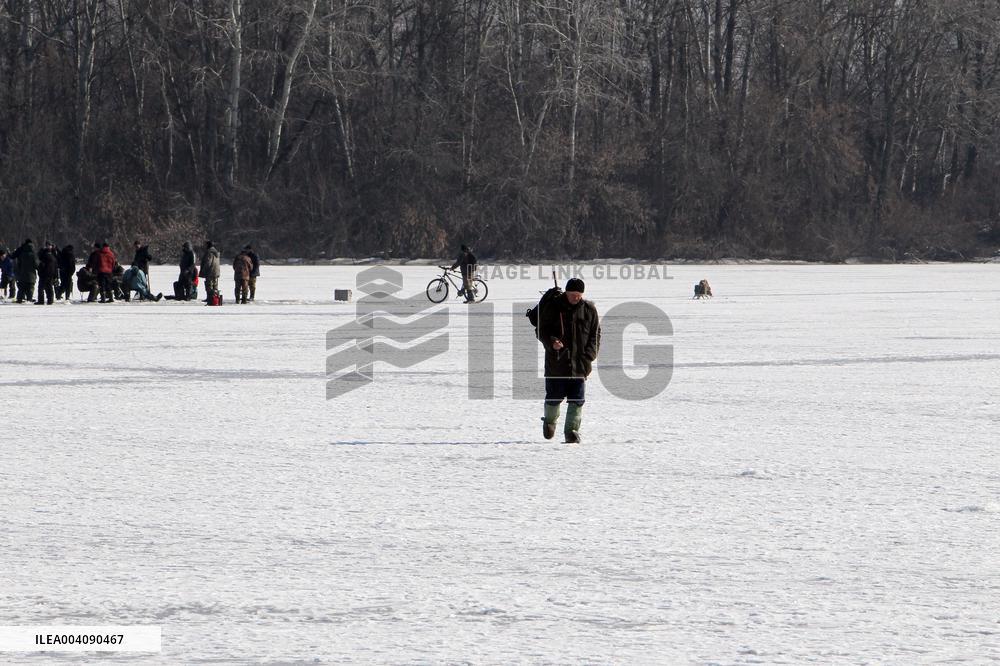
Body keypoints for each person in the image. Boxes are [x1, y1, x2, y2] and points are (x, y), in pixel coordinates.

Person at [536, 278, 600, 443]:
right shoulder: (554, 307)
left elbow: (595, 335)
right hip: (557, 364)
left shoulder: (589, 310)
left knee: (577, 400)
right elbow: (541, 330)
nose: (576, 298)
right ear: (566, 292)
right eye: (572, 294)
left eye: (579, 295)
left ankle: (571, 432)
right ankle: (549, 422)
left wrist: (589, 356)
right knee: (553, 398)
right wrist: (551, 342)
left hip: (580, 365)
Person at [12, 238, 38, 303]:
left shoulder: (21, 253)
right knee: (30, 287)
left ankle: (19, 299)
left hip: (22, 273)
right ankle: (29, 299)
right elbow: (36, 264)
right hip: (31, 274)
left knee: (21, 288)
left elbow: (18, 263)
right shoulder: (34, 254)